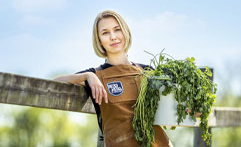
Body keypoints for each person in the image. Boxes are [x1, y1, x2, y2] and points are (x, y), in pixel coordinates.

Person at [54, 10, 172, 147]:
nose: (113, 37)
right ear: (99, 40)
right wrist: (88, 76)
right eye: (105, 33)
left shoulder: (147, 72)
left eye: (117, 30)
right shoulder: (96, 75)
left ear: (125, 32)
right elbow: (55, 83)